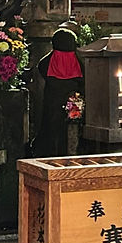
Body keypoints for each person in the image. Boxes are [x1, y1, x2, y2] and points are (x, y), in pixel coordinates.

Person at [33, 27, 84, 158]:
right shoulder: (77, 60)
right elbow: (84, 75)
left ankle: (50, 153)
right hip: (74, 99)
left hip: (52, 98)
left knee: (51, 127)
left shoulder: (49, 60)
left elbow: (41, 67)